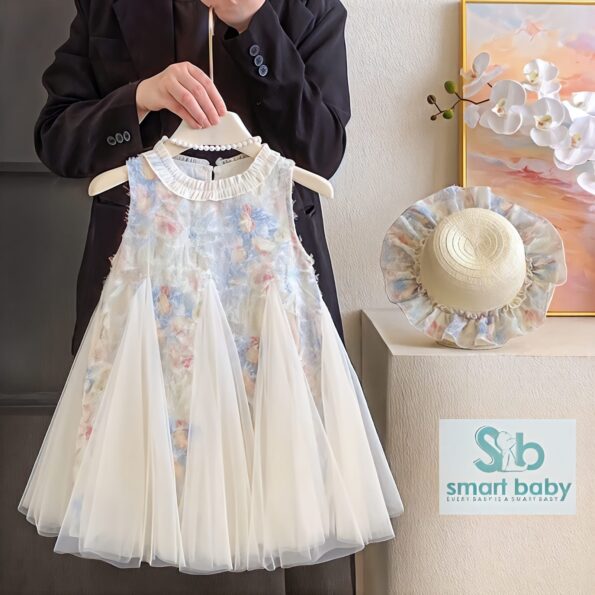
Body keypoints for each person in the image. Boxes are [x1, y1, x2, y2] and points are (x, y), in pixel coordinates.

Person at [34, 0, 353, 593]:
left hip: (272, 292)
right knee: (138, 507)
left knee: (291, 490)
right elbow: (57, 140)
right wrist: (139, 98)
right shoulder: (107, 6)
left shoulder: (310, 9)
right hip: (144, 286)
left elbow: (322, 150)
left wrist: (253, 25)